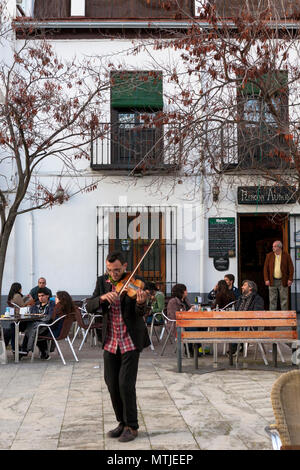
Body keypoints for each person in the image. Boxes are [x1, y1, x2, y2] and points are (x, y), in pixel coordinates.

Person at [86, 250, 149, 443]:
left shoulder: (135, 282)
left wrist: (141, 302)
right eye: (109, 270)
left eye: (116, 270)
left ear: (124, 267)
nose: (113, 274)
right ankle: (121, 422)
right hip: (111, 341)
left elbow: (141, 312)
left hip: (129, 340)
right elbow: (90, 306)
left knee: (125, 384)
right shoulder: (102, 282)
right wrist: (103, 298)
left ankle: (132, 426)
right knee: (111, 383)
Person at [20, 287, 56, 360]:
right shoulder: (36, 304)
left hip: (47, 326)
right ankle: (43, 352)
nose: (40, 298)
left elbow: (49, 317)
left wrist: (39, 319)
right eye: (39, 296)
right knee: (29, 328)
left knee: (32, 330)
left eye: (42, 296)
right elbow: (32, 314)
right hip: (36, 326)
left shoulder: (51, 304)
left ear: (47, 296)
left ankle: (25, 350)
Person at [232, 280, 264, 355]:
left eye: (244, 285)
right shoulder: (240, 298)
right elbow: (236, 311)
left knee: (233, 327)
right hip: (239, 323)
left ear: (250, 288)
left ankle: (233, 348)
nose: (242, 287)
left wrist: (243, 318)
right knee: (223, 326)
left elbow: (257, 314)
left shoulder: (257, 299)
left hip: (250, 325)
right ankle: (235, 345)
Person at [263, 240, 294, 310]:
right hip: (272, 280)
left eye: (274, 246)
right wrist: (266, 279)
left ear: (279, 247)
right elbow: (265, 269)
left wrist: (290, 279)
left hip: (283, 281)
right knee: (272, 300)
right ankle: (273, 317)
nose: (272, 248)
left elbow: (291, 268)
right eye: (273, 246)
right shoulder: (269, 256)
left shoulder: (286, 255)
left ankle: (284, 317)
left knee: (284, 300)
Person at [6, 283, 34, 354]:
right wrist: (30, 301)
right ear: (19, 289)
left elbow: (19, 302)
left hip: (16, 317)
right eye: (21, 288)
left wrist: (25, 297)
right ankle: (17, 348)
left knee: (12, 328)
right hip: (21, 318)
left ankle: (15, 348)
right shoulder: (17, 295)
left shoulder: (12, 296)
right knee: (14, 328)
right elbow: (22, 306)